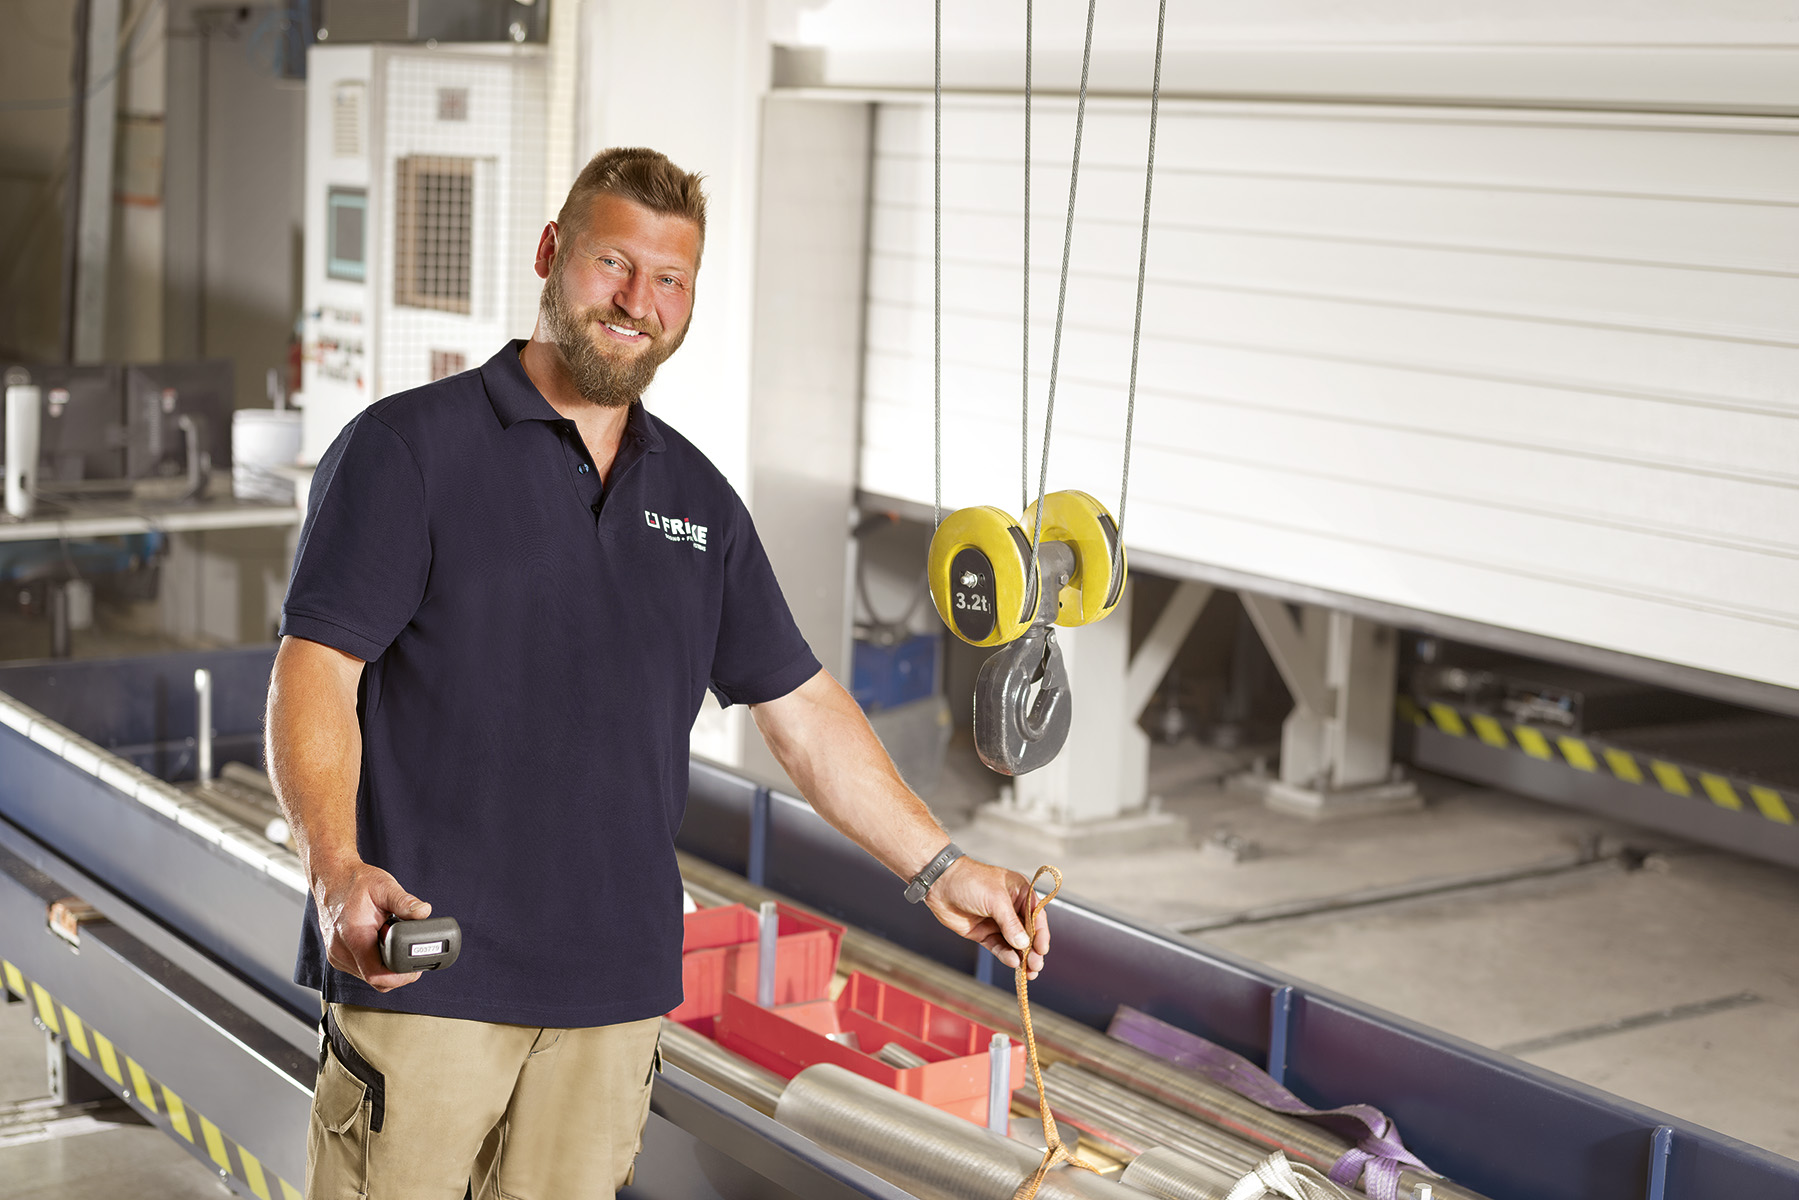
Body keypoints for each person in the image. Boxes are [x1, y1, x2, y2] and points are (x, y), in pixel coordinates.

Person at [267, 146, 1051, 1200]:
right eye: (612, 265)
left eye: (669, 279)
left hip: (612, 1001)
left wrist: (938, 866)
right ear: (552, 254)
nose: (638, 301)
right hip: (429, 983)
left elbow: (803, 709)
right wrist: (334, 869)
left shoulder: (699, 503)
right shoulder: (408, 452)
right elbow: (316, 673)